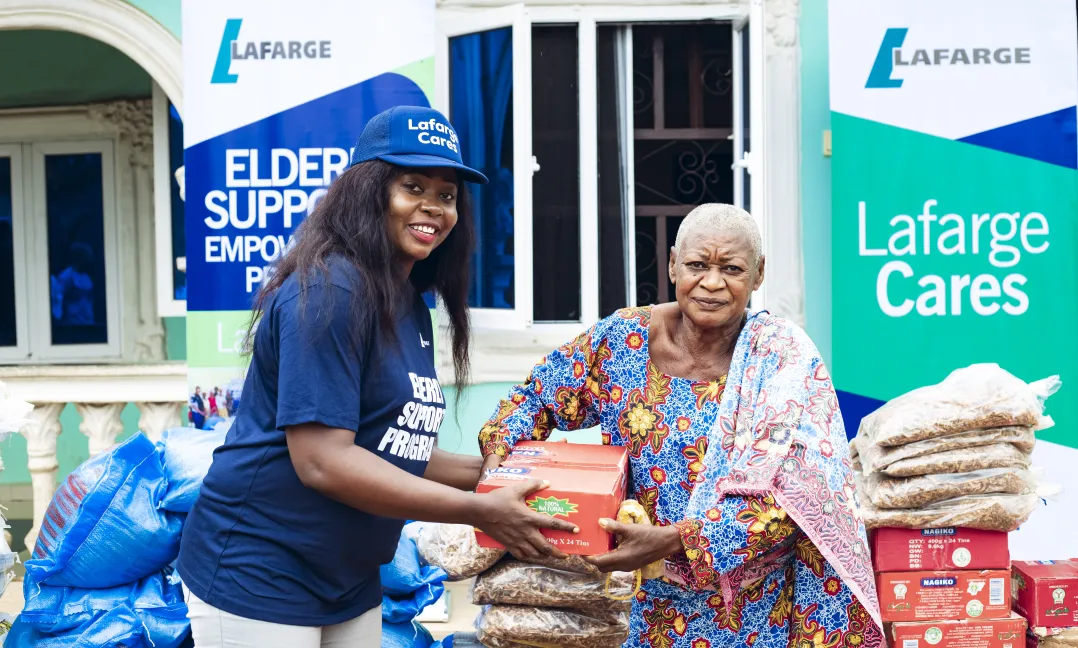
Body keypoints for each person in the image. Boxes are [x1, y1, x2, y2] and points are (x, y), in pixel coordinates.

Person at [176, 106, 577, 648]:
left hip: (346, 576)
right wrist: (479, 508)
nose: (433, 208)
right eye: (413, 187)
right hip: (260, 569)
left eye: (448, 194)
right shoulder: (328, 292)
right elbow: (323, 460)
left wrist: (501, 472)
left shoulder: (408, 301)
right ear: (368, 192)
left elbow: (393, 446)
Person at [479, 204, 883, 647]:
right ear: (672, 263)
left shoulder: (781, 358)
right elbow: (535, 399)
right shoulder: (622, 340)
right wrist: (499, 472)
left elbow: (799, 494)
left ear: (759, 274)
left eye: (731, 268)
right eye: (696, 265)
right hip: (645, 603)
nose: (712, 283)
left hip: (755, 609)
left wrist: (675, 540)